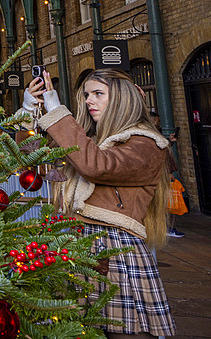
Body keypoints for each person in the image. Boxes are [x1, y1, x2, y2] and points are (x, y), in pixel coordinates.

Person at [24, 69, 174, 339]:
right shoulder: (88, 141)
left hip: (116, 248)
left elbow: (96, 166)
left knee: (124, 332)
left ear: (121, 98)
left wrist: (57, 110)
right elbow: (30, 155)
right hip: (77, 242)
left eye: (98, 94)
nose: (88, 101)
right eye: (85, 95)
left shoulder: (147, 144)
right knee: (79, 330)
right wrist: (29, 112)